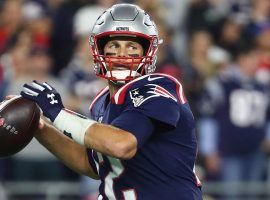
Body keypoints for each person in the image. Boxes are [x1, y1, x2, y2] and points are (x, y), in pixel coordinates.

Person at [19, 4, 202, 200]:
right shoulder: (102, 102)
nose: (122, 54)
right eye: (114, 45)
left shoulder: (158, 89)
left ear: (148, 52)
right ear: (99, 50)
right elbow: (91, 164)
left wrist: (58, 113)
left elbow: (121, 145)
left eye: (132, 46)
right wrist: (41, 127)